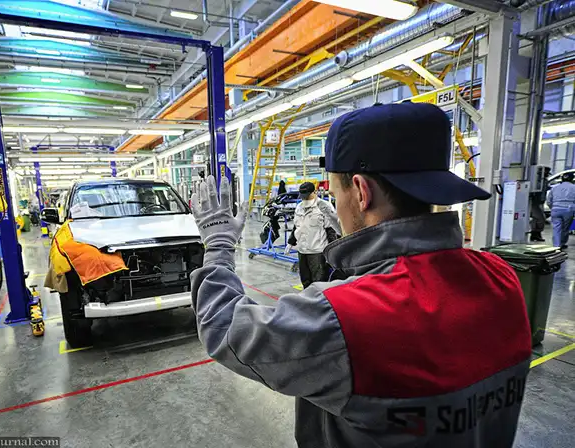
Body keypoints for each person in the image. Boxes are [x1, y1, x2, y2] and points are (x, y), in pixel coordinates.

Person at [189, 103, 532, 448]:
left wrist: (218, 245)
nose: (336, 205)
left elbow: (224, 328)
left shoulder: (343, 317)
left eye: (335, 194)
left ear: (360, 192)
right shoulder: (502, 278)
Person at [286, 181, 341, 288]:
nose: (305, 199)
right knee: (305, 280)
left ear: (314, 192)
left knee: (319, 283)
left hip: (317, 252)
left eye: (307, 196)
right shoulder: (299, 207)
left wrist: (331, 253)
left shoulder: (324, 206)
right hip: (302, 251)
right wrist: (291, 242)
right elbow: (296, 226)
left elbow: (331, 230)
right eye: (303, 196)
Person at [547, 171, 575, 249]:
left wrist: (552, 207)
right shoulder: (574, 187)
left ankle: (556, 246)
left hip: (556, 209)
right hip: (569, 209)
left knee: (556, 228)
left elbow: (549, 201)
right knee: (565, 228)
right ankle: (562, 243)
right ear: (572, 179)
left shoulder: (555, 188)